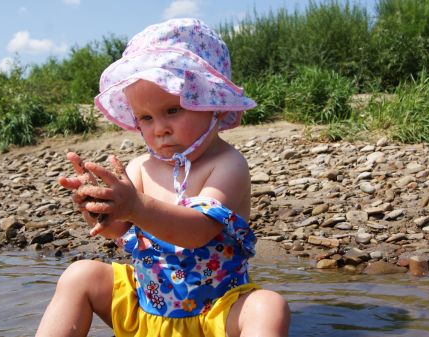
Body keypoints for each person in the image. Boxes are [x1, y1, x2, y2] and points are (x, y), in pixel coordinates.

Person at [36, 18, 290, 337]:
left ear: (212, 103)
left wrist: (136, 206)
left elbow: (198, 231)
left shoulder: (227, 164)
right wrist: (98, 208)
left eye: (172, 110)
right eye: (145, 117)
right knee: (79, 274)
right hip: (146, 311)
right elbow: (119, 229)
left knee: (269, 306)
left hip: (214, 317)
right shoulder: (141, 167)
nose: (160, 129)